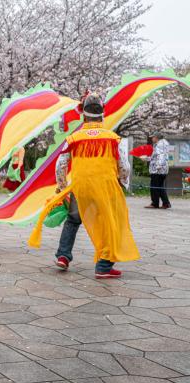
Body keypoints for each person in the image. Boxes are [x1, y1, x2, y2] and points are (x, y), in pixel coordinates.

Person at [29, 93, 139, 279]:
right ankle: (103, 266)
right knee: (109, 223)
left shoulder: (74, 138)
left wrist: (62, 186)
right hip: (106, 188)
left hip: (81, 188)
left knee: (72, 220)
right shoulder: (113, 138)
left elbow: (61, 165)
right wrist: (122, 181)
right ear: (103, 114)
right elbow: (124, 166)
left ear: (84, 115)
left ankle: (63, 256)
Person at [143, 133, 171, 209]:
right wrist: (146, 158)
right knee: (160, 187)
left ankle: (155, 203)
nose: (152, 139)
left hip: (157, 170)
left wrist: (158, 166)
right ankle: (166, 203)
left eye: (152, 137)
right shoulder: (164, 143)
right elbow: (155, 156)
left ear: (156, 138)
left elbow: (160, 156)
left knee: (154, 187)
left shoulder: (159, 145)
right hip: (163, 170)